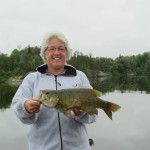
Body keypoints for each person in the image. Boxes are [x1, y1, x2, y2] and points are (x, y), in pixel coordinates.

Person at [11, 31, 96, 150]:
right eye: (51, 49)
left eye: (61, 48)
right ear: (44, 53)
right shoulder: (31, 79)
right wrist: (25, 107)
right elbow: (16, 107)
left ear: (67, 52)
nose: (57, 52)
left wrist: (82, 113)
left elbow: (93, 115)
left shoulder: (79, 76)